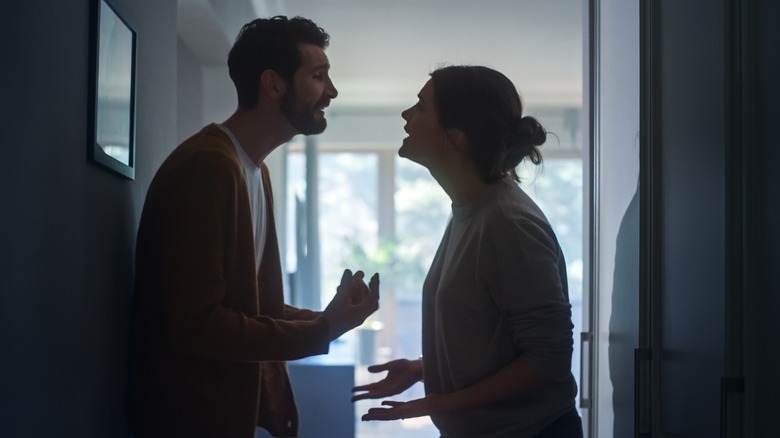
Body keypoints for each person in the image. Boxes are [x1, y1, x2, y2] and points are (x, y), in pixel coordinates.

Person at [129, 16, 379, 438]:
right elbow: (198, 324)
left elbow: (252, 306)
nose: (331, 92)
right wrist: (323, 329)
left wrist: (332, 319)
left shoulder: (254, 171)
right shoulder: (208, 168)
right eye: (319, 76)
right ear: (274, 84)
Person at [351, 65, 580, 437]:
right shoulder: (471, 209)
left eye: (421, 106)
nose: (406, 115)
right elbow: (495, 337)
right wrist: (427, 367)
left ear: (455, 136)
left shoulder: (508, 223)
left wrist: (439, 403)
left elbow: (548, 359)